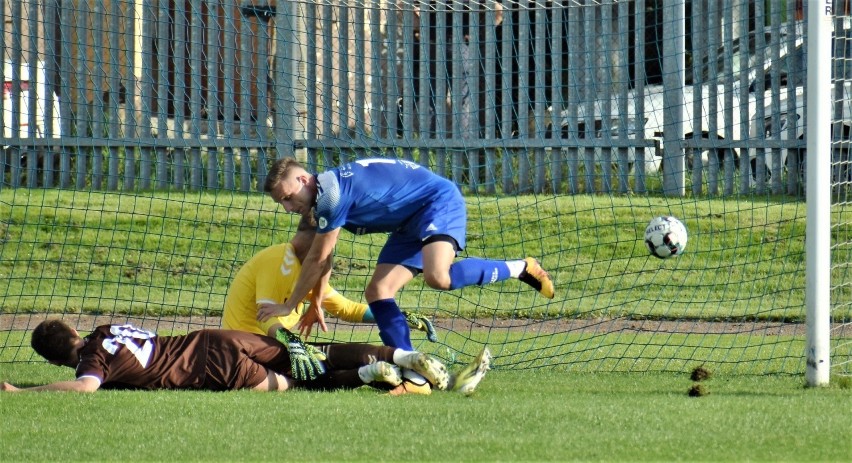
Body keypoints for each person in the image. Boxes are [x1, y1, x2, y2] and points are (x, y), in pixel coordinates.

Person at [259, 157, 554, 394]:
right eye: (281, 203)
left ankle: (521, 267)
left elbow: (318, 257)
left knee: (438, 277)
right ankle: (415, 375)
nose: (287, 207)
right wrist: (316, 303)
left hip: (436, 202)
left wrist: (289, 305)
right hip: (410, 220)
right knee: (378, 291)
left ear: (303, 179)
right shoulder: (326, 194)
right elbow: (326, 257)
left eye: (287, 197)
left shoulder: (331, 196)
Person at [0, 319, 449, 393]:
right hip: (216, 337)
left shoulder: (90, 363)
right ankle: (403, 355)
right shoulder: (105, 330)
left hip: (211, 368)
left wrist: (23, 390)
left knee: (305, 383)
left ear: (58, 359)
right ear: (74, 330)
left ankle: (373, 373)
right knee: (315, 353)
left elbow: (85, 387)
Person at [222, 214, 437, 342]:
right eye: (328, 243)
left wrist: (397, 316)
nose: (329, 251)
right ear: (316, 240)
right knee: (329, 363)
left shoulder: (305, 273)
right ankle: (381, 366)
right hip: (243, 345)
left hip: (268, 347)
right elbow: (265, 317)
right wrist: (292, 343)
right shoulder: (280, 258)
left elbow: (346, 309)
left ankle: (382, 368)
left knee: (331, 361)